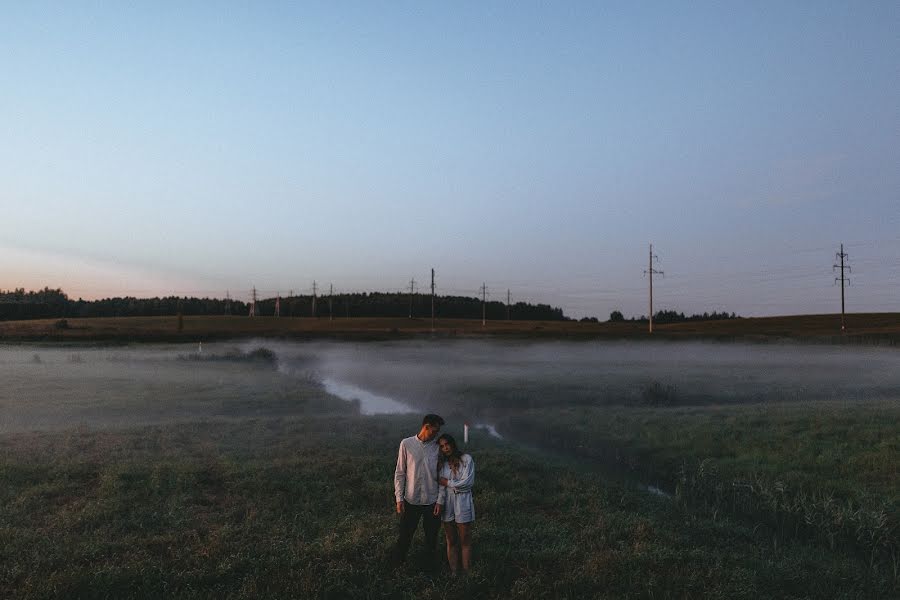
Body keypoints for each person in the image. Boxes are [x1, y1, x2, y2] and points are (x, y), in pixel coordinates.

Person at [393, 413, 445, 567]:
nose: (436, 435)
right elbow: (400, 472)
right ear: (426, 427)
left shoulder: (437, 448)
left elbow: (442, 476)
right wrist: (399, 498)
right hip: (411, 500)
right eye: (434, 431)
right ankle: (396, 567)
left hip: (432, 501)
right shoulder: (406, 444)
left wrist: (440, 501)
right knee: (404, 537)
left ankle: (428, 570)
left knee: (431, 540)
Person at [434, 433, 475, 574]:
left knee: (465, 539)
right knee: (451, 540)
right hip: (448, 503)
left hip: (463, 501)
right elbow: (441, 487)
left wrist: (448, 482)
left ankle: (467, 573)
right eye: (442, 446)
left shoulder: (466, 459)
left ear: (452, 443)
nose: (446, 448)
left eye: (447, 444)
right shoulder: (443, 465)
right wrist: (439, 502)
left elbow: (467, 483)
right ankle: (454, 573)